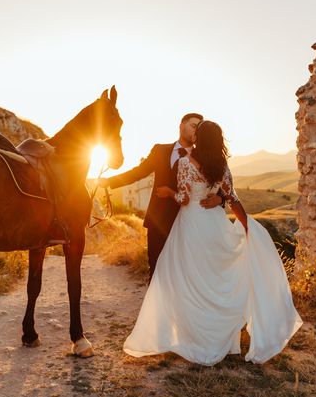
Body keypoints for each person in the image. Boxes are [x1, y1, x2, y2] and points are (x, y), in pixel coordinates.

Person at [123, 121, 302, 365]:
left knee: (190, 280)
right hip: (215, 226)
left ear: (200, 138)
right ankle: (220, 338)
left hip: (191, 226)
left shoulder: (186, 163)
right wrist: (247, 225)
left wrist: (168, 192)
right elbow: (232, 199)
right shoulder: (222, 166)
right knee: (214, 278)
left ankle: (194, 335)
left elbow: (185, 198)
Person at [98, 113, 222, 279]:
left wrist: (221, 199)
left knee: (184, 274)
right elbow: (138, 173)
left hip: (188, 222)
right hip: (158, 221)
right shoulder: (160, 150)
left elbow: (218, 182)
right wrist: (109, 182)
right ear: (181, 125)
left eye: (199, 128)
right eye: (193, 125)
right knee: (155, 269)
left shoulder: (203, 157)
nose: (196, 131)